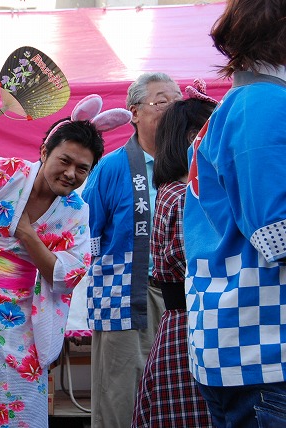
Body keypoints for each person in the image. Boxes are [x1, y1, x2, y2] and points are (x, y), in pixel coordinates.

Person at [0, 94, 131, 426]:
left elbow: (67, 275)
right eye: (64, 160)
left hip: (23, 323)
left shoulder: (76, 211)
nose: (71, 173)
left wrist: (26, 234)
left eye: (82, 168)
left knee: (21, 408)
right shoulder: (3, 173)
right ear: (45, 151)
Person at [183, 1, 286, 426]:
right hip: (265, 347)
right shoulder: (266, 102)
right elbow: (277, 233)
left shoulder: (242, 103)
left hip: (240, 340)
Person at [81, 72, 182, 428]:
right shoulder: (111, 167)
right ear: (134, 112)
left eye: (178, 102)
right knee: (120, 398)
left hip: (183, 300)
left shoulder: (192, 163)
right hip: (123, 297)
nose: (173, 110)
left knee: (177, 399)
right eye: (162, 102)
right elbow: (84, 233)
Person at [131, 80, 217, 428]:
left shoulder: (175, 190)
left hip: (184, 325)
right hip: (191, 330)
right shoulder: (184, 196)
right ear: (194, 138)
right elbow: (200, 265)